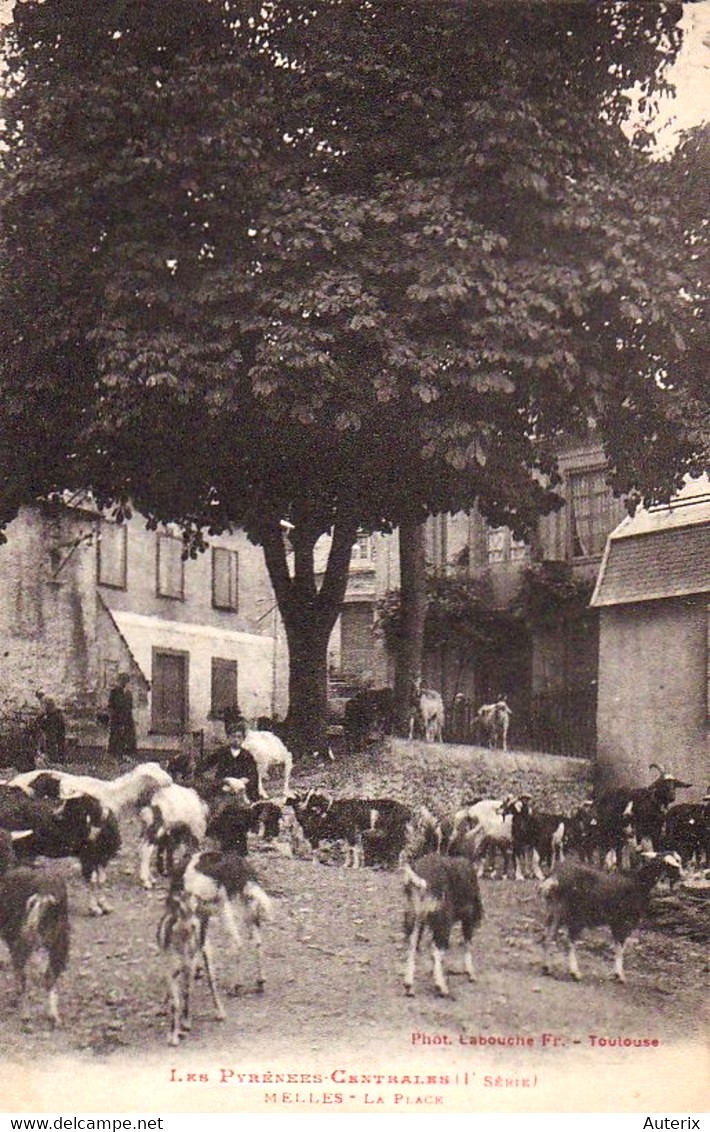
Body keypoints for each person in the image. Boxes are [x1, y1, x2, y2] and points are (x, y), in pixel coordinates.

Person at [108, 673, 137, 759]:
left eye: (126, 681)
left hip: (127, 716)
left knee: (128, 734)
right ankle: (115, 753)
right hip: (117, 717)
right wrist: (114, 715)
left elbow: (130, 706)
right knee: (116, 735)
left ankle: (126, 752)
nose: (124, 683)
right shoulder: (114, 692)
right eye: (122, 681)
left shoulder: (128, 693)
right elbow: (111, 705)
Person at [36, 694, 67, 763]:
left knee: (54, 747)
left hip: (54, 740)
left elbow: (57, 733)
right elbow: (39, 723)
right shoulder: (45, 715)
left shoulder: (56, 716)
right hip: (49, 740)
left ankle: (55, 761)